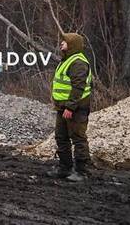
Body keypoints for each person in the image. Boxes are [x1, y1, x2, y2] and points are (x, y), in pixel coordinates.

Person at [47, 32, 93, 182]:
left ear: (72, 44)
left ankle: (82, 171)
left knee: (78, 138)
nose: (61, 43)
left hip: (75, 108)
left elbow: (78, 87)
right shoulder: (68, 59)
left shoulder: (78, 62)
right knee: (61, 137)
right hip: (63, 107)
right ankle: (65, 168)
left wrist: (71, 107)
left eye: (65, 42)